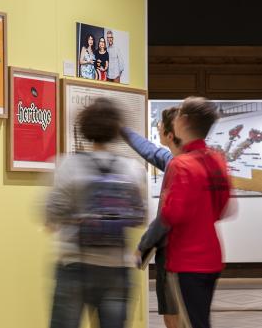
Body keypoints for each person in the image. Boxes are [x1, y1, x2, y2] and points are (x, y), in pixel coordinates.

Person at [46, 98, 145, 328]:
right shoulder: (131, 169)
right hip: (117, 268)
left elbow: (51, 216)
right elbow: (140, 217)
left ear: (85, 127)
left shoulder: (67, 165)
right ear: (117, 130)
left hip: (74, 264)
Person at [160, 97, 232, 328]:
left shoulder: (180, 164)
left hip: (186, 259)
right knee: (200, 320)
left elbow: (171, 214)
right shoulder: (217, 159)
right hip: (211, 255)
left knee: (192, 322)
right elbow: (223, 208)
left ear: (184, 121)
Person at [121, 107, 181, 328]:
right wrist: (122, 129)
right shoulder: (181, 160)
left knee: (173, 314)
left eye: (160, 126)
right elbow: (150, 150)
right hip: (196, 253)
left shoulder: (178, 167)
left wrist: (143, 246)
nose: (157, 127)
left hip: (174, 254)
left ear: (170, 134)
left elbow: (167, 216)